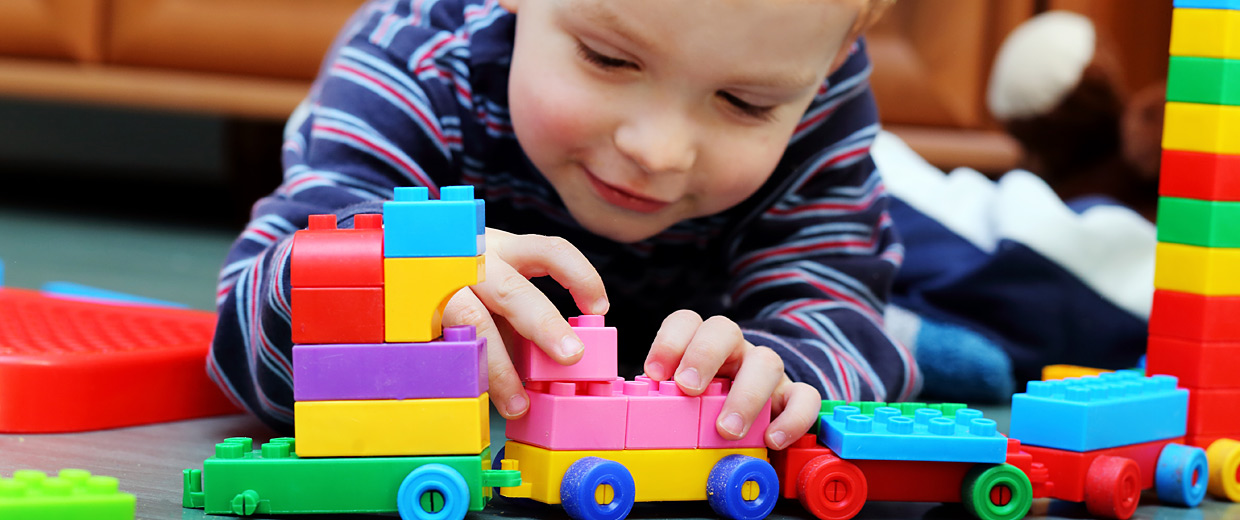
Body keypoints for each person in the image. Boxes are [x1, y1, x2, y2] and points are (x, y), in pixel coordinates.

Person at [209, 0, 918, 451]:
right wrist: (383, 283)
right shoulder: (411, 63)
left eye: (743, 101)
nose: (657, 150)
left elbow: (834, 301)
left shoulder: (821, 102)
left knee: (908, 282)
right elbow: (243, 343)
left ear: (824, 68)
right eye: (608, 59)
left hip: (713, 307)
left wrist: (784, 372)